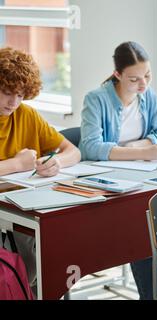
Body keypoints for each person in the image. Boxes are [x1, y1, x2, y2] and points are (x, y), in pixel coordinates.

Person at [79, 41, 157, 300]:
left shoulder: (147, 97)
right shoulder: (96, 99)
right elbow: (90, 147)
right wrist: (143, 152)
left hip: (143, 180)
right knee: (145, 233)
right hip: (108, 188)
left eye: (147, 76)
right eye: (134, 79)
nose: (143, 84)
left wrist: (140, 144)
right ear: (118, 74)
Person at [0, 47, 81, 289]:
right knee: (29, 264)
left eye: (21, 94)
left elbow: (73, 151)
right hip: (8, 211)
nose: (14, 102)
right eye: (6, 92)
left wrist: (56, 162)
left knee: (61, 243)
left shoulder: (27, 115)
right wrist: (16, 164)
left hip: (27, 203)